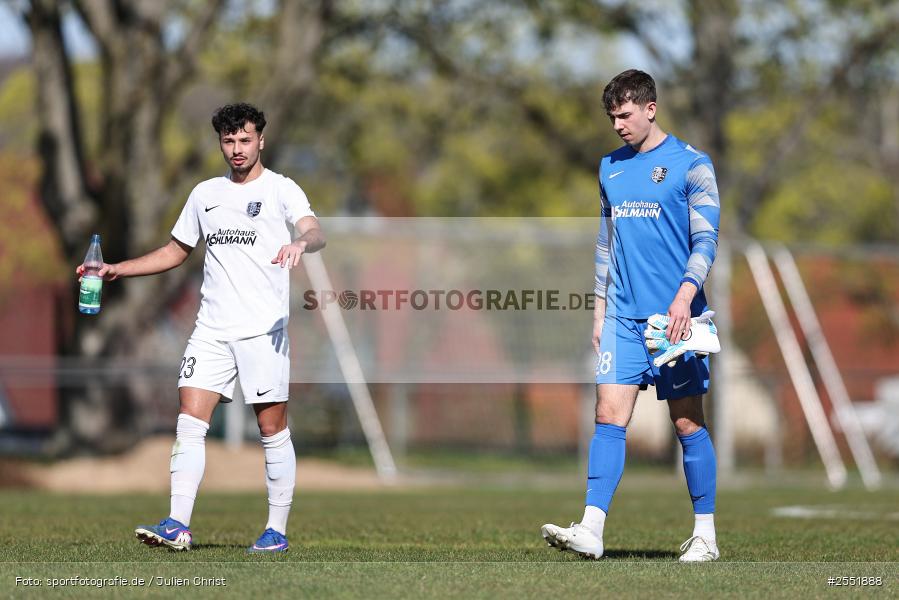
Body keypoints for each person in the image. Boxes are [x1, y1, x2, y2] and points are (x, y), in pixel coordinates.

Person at [76, 103, 325, 553]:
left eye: (245, 140)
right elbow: (175, 251)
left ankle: (276, 531)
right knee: (189, 422)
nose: (236, 149)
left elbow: (314, 229)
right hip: (211, 329)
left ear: (260, 140)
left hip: (262, 330)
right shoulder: (204, 194)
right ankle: (177, 523)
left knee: (272, 430)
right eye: (228, 141)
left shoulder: (280, 190)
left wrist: (300, 243)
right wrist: (116, 269)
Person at [540, 70, 721, 562]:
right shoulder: (609, 168)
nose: (618, 125)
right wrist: (598, 311)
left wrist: (685, 297)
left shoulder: (692, 166)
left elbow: (706, 242)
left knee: (686, 424)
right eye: (612, 117)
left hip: (675, 321)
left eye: (624, 115)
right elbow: (606, 242)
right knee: (607, 417)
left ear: (650, 108)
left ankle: (705, 534)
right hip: (621, 316)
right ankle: (592, 529)